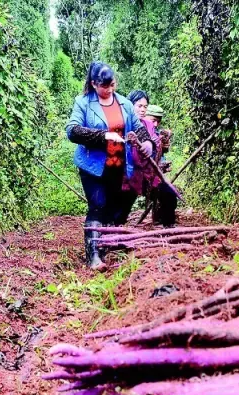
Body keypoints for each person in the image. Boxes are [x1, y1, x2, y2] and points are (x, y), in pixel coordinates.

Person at [66, 62, 155, 270]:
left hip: (117, 165)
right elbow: (72, 131)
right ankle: (93, 256)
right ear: (94, 84)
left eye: (112, 85)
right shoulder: (83, 103)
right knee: (97, 204)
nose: (109, 90)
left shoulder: (123, 103)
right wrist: (103, 135)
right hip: (92, 166)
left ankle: (105, 246)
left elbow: (138, 127)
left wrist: (148, 142)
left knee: (111, 207)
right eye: (104, 86)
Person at [125, 91, 178, 227]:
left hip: (149, 176)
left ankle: (169, 228)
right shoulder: (123, 123)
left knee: (169, 193)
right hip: (128, 175)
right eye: (139, 106)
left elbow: (155, 144)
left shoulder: (148, 125)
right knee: (121, 207)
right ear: (130, 106)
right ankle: (112, 230)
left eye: (145, 107)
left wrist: (162, 145)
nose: (142, 110)